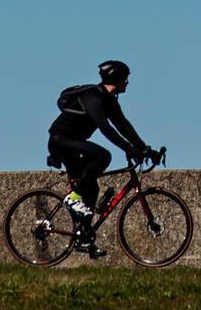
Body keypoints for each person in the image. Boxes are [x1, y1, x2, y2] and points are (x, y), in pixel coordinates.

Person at [48, 60, 154, 258]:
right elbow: (104, 127)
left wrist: (143, 148)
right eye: (125, 78)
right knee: (103, 156)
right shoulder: (93, 96)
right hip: (61, 141)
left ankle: (84, 238)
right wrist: (127, 149)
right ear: (116, 78)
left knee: (93, 188)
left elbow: (123, 126)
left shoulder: (110, 101)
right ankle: (73, 198)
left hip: (73, 143)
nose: (128, 82)